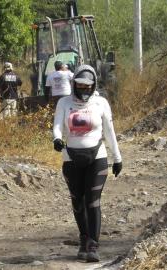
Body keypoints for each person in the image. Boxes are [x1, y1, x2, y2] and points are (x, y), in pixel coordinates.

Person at [52, 64, 122, 262]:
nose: (84, 89)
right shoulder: (64, 103)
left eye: (87, 86)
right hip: (71, 158)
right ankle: (83, 238)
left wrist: (117, 158)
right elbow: (57, 126)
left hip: (97, 157)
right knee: (77, 200)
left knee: (93, 200)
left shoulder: (101, 103)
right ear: (74, 84)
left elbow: (109, 132)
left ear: (94, 85)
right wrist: (57, 139)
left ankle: (93, 244)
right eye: (80, 86)